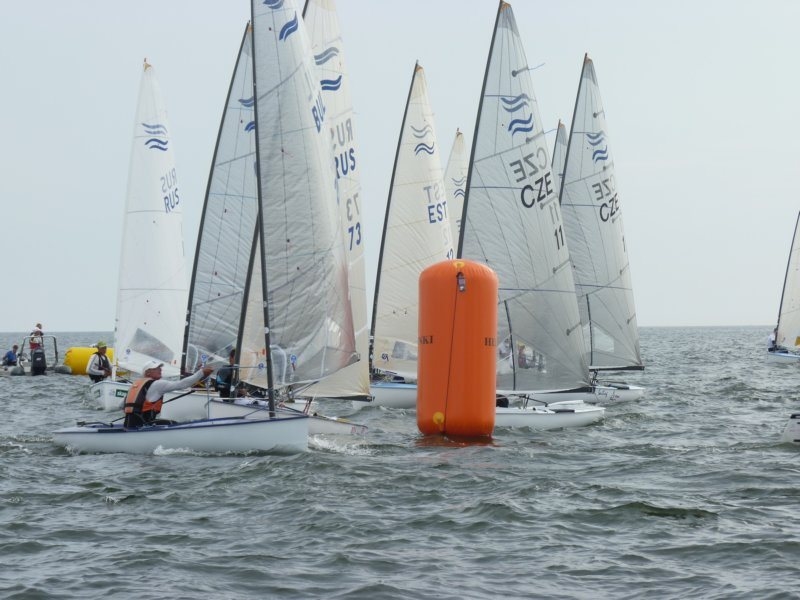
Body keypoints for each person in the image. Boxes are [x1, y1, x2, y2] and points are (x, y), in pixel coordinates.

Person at [123, 359, 214, 428]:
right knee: (173, 424)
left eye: (160, 368)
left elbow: (120, 406)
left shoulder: (134, 386)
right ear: (148, 372)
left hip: (128, 425)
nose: (160, 370)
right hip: (144, 425)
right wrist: (201, 373)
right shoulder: (158, 384)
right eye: (156, 368)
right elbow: (181, 384)